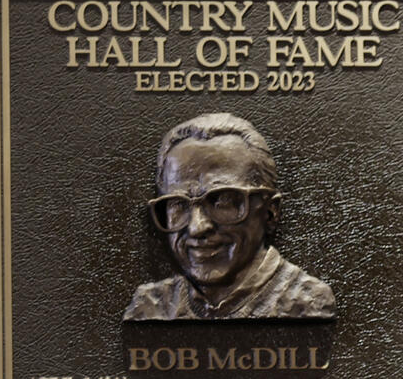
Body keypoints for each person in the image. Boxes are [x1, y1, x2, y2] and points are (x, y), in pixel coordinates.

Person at [125, 112, 335, 322]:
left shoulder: (308, 303)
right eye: (179, 204)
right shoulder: (150, 307)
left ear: (271, 212)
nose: (197, 227)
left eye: (222, 201)